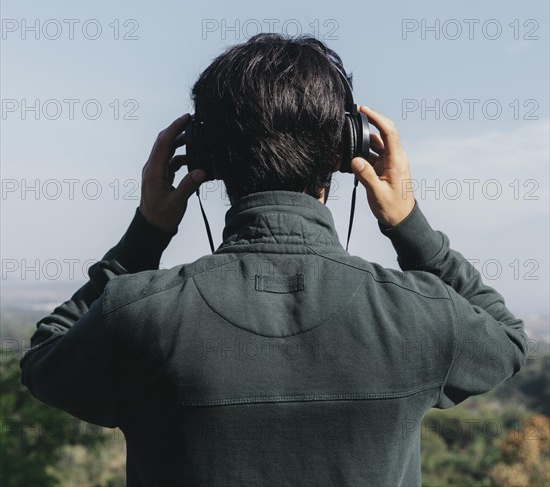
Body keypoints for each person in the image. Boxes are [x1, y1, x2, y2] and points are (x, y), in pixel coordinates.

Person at [20, 33, 528, 486]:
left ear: (204, 159)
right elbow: (506, 340)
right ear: (346, 151)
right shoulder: (422, 316)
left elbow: (45, 361)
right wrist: (409, 224)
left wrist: (144, 236)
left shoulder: (134, 316)